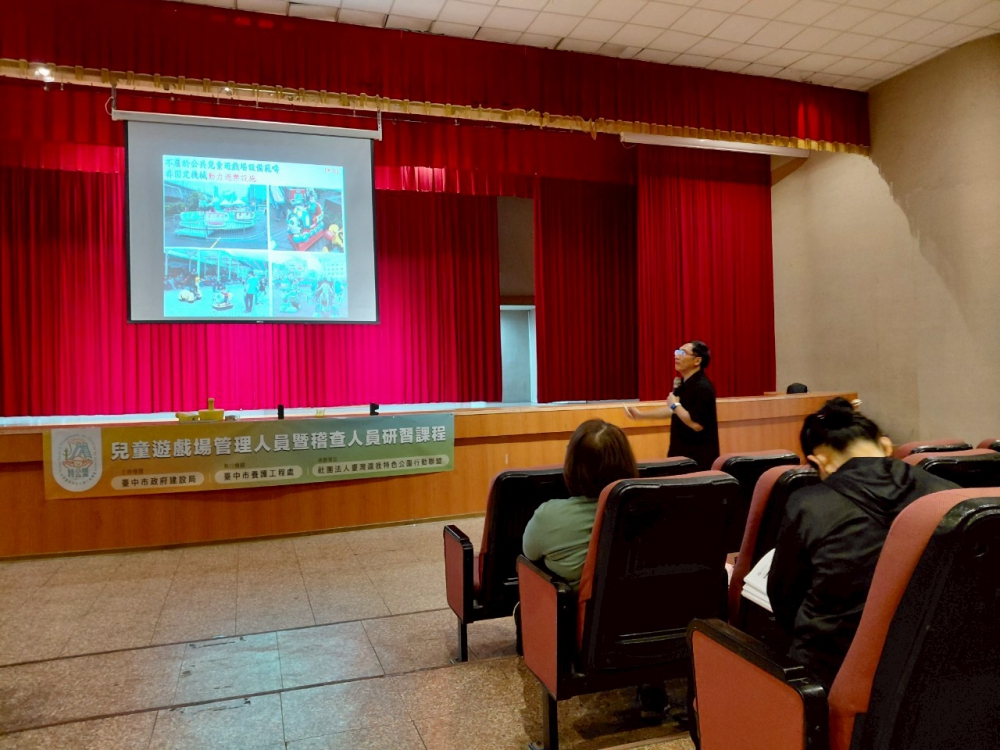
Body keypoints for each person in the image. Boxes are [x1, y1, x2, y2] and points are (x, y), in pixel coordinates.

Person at [767, 398, 959, 688]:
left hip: (832, 674)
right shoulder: (948, 494)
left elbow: (784, 599)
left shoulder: (809, 505)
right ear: (885, 445)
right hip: (934, 669)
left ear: (819, 462)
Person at [522, 419, 638, 587]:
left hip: (577, 603)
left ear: (573, 465)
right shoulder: (650, 511)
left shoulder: (548, 516)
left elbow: (529, 554)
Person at [624, 340, 719, 470]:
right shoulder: (685, 383)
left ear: (697, 361)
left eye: (683, 353)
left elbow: (696, 424)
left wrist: (675, 405)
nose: (676, 356)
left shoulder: (702, 387)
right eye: (677, 351)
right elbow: (674, 410)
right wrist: (641, 415)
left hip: (697, 459)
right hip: (680, 454)